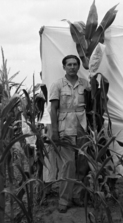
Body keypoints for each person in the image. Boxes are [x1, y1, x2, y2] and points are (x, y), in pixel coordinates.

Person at [49, 54, 90, 213]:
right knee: (68, 165)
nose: (72, 67)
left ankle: (77, 196)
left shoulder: (85, 84)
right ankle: (64, 200)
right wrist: (53, 130)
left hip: (82, 128)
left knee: (82, 164)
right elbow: (53, 109)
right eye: (69, 64)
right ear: (64, 67)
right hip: (65, 128)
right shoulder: (58, 85)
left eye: (75, 64)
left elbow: (92, 103)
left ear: (78, 66)